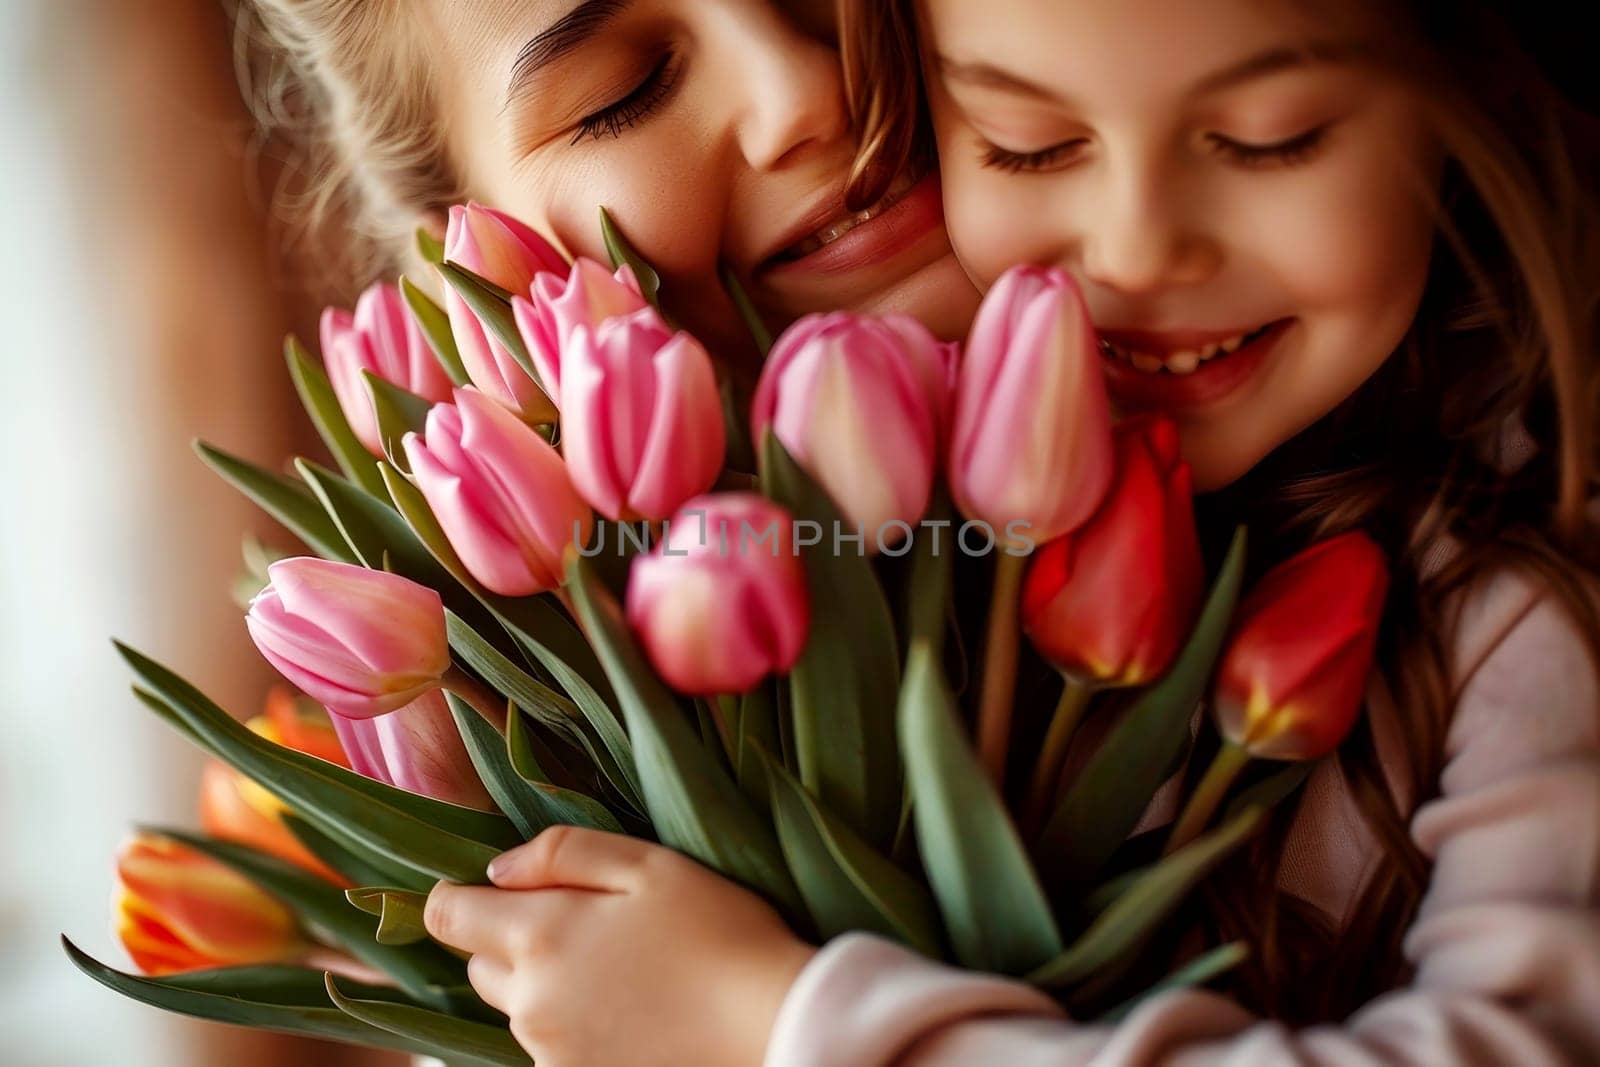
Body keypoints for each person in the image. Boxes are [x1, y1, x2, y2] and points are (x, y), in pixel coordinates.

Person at [257, 0, 1600, 1063]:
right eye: (619, 92)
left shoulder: (1509, 572)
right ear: (462, 252)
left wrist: (782, 1030)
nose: (805, 95)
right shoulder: (581, 739)